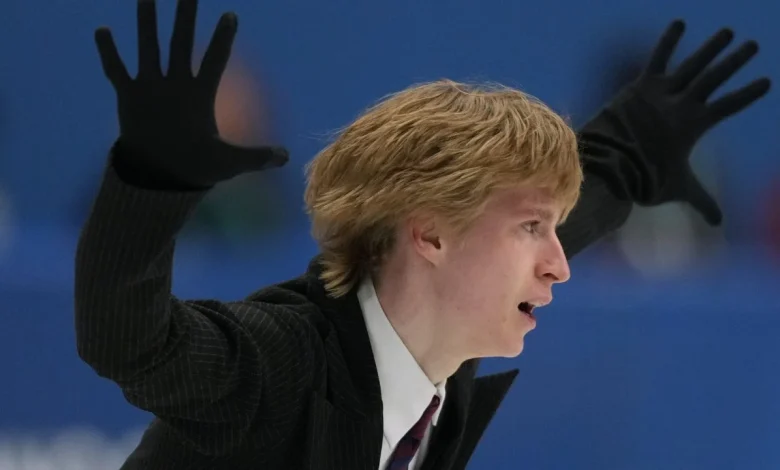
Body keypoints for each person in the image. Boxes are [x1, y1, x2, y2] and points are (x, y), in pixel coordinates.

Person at [75, 1, 770, 469]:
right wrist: (149, 178)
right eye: (531, 227)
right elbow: (131, 341)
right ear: (430, 235)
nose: (559, 263)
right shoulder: (279, 363)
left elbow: (588, 200)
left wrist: (636, 149)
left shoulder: (435, 358)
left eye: (550, 229)